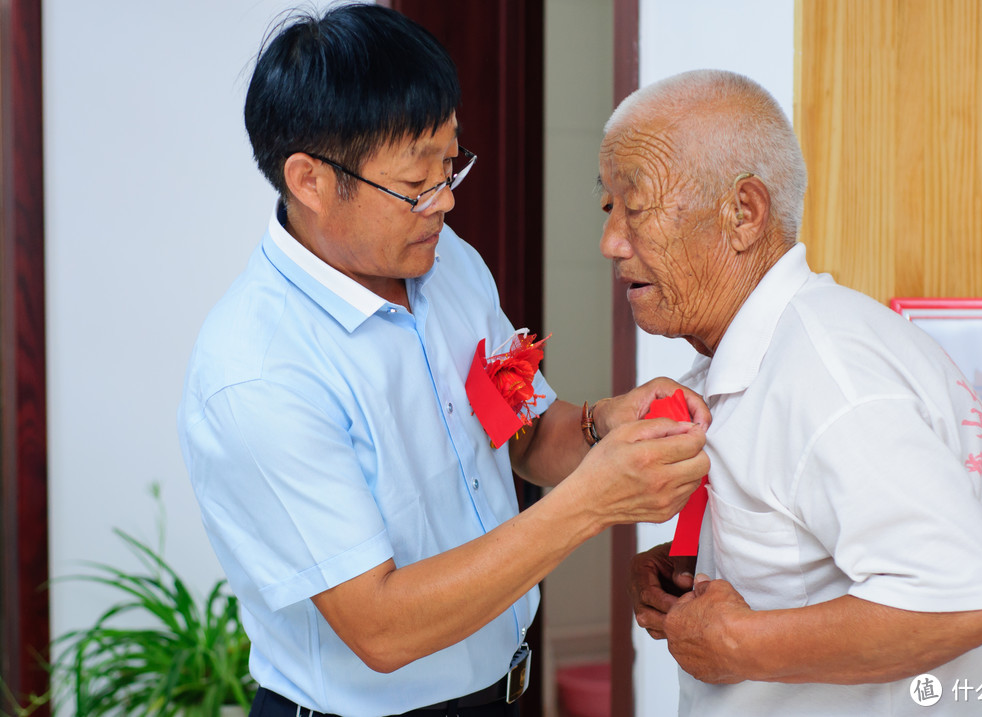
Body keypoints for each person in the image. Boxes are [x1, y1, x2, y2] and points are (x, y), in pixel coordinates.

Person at [177, 6, 710, 716]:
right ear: (308, 180)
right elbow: (382, 627)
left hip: (501, 694)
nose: (447, 200)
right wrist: (590, 505)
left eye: (451, 162)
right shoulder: (259, 372)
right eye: (415, 183)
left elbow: (519, 434)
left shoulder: (448, 264)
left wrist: (601, 424)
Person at [609, 70, 982, 715]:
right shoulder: (768, 361)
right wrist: (699, 565)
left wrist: (740, 641)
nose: (611, 242)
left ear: (743, 213)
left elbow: (965, 602)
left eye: (637, 207)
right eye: (609, 208)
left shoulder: (829, 375)